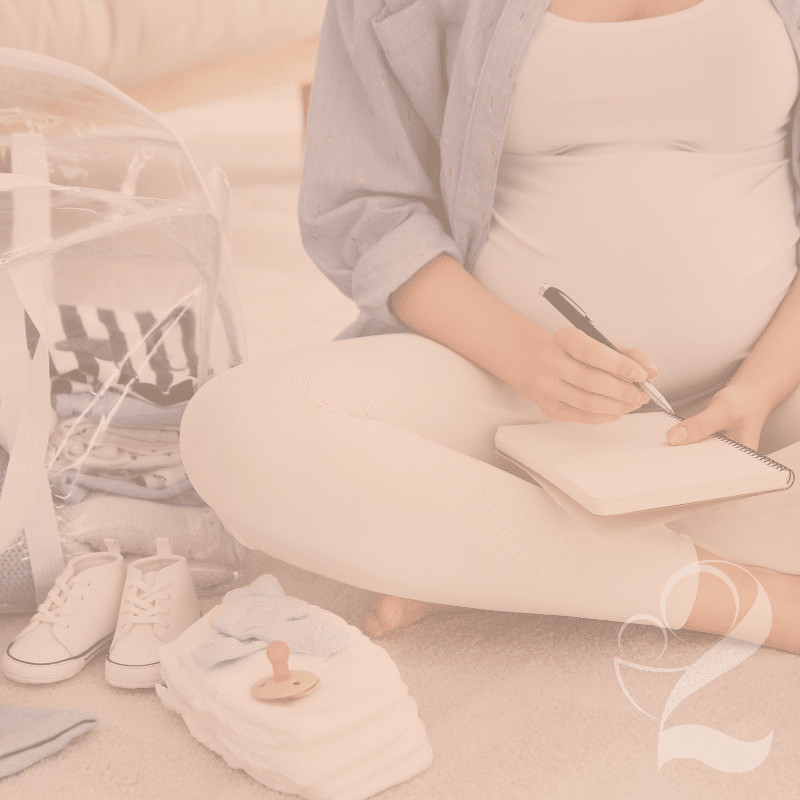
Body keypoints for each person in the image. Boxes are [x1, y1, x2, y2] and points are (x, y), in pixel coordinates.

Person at [180, 0, 800, 653]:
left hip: (765, 405)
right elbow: (369, 211)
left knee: (404, 515)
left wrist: (757, 389)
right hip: (502, 396)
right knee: (237, 428)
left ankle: (486, 551)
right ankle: (734, 597)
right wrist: (528, 360)